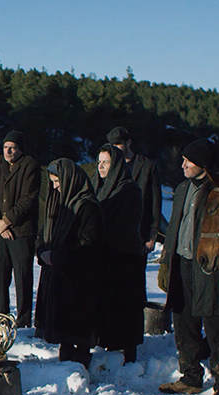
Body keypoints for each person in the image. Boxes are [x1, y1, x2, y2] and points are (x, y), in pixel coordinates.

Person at [158, 138, 219, 395]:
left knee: (216, 325)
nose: (182, 164)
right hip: (182, 263)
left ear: (202, 164)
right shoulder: (182, 188)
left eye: (188, 161)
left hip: (210, 267)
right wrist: (166, 262)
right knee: (183, 323)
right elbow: (173, 228)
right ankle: (191, 376)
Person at [34, 158, 104, 368]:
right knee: (64, 335)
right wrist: (42, 251)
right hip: (59, 276)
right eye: (53, 183)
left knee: (79, 334)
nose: (55, 187)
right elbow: (44, 233)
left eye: (58, 182)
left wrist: (56, 257)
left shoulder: (88, 207)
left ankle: (81, 369)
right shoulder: (58, 204)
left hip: (80, 279)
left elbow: (89, 244)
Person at [91, 144, 145, 364]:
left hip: (125, 259)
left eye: (106, 163)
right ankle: (108, 343)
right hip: (105, 258)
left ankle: (128, 351)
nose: (101, 167)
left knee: (125, 307)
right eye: (99, 162)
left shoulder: (130, 190)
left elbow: (125, 225)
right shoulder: (99, 188)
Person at [0, 130, 40, 328]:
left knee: (22, 277)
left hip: (21, 230)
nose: (8, 151)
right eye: (5, 147)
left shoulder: (30, 166)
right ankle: (0, 317)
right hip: (0, 230)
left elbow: (29, 200)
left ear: (20, 149)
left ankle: (24, 320)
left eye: (13, 148)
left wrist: (7, 220)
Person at [106, 126, 162, 254]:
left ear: (128, 142)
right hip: (112, 237)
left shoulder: (147, 166)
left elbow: (155, 202)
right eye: (112, 144)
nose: (115, 148)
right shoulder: (108, 167)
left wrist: (152, 236)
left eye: (118, 144)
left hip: (138, 235)